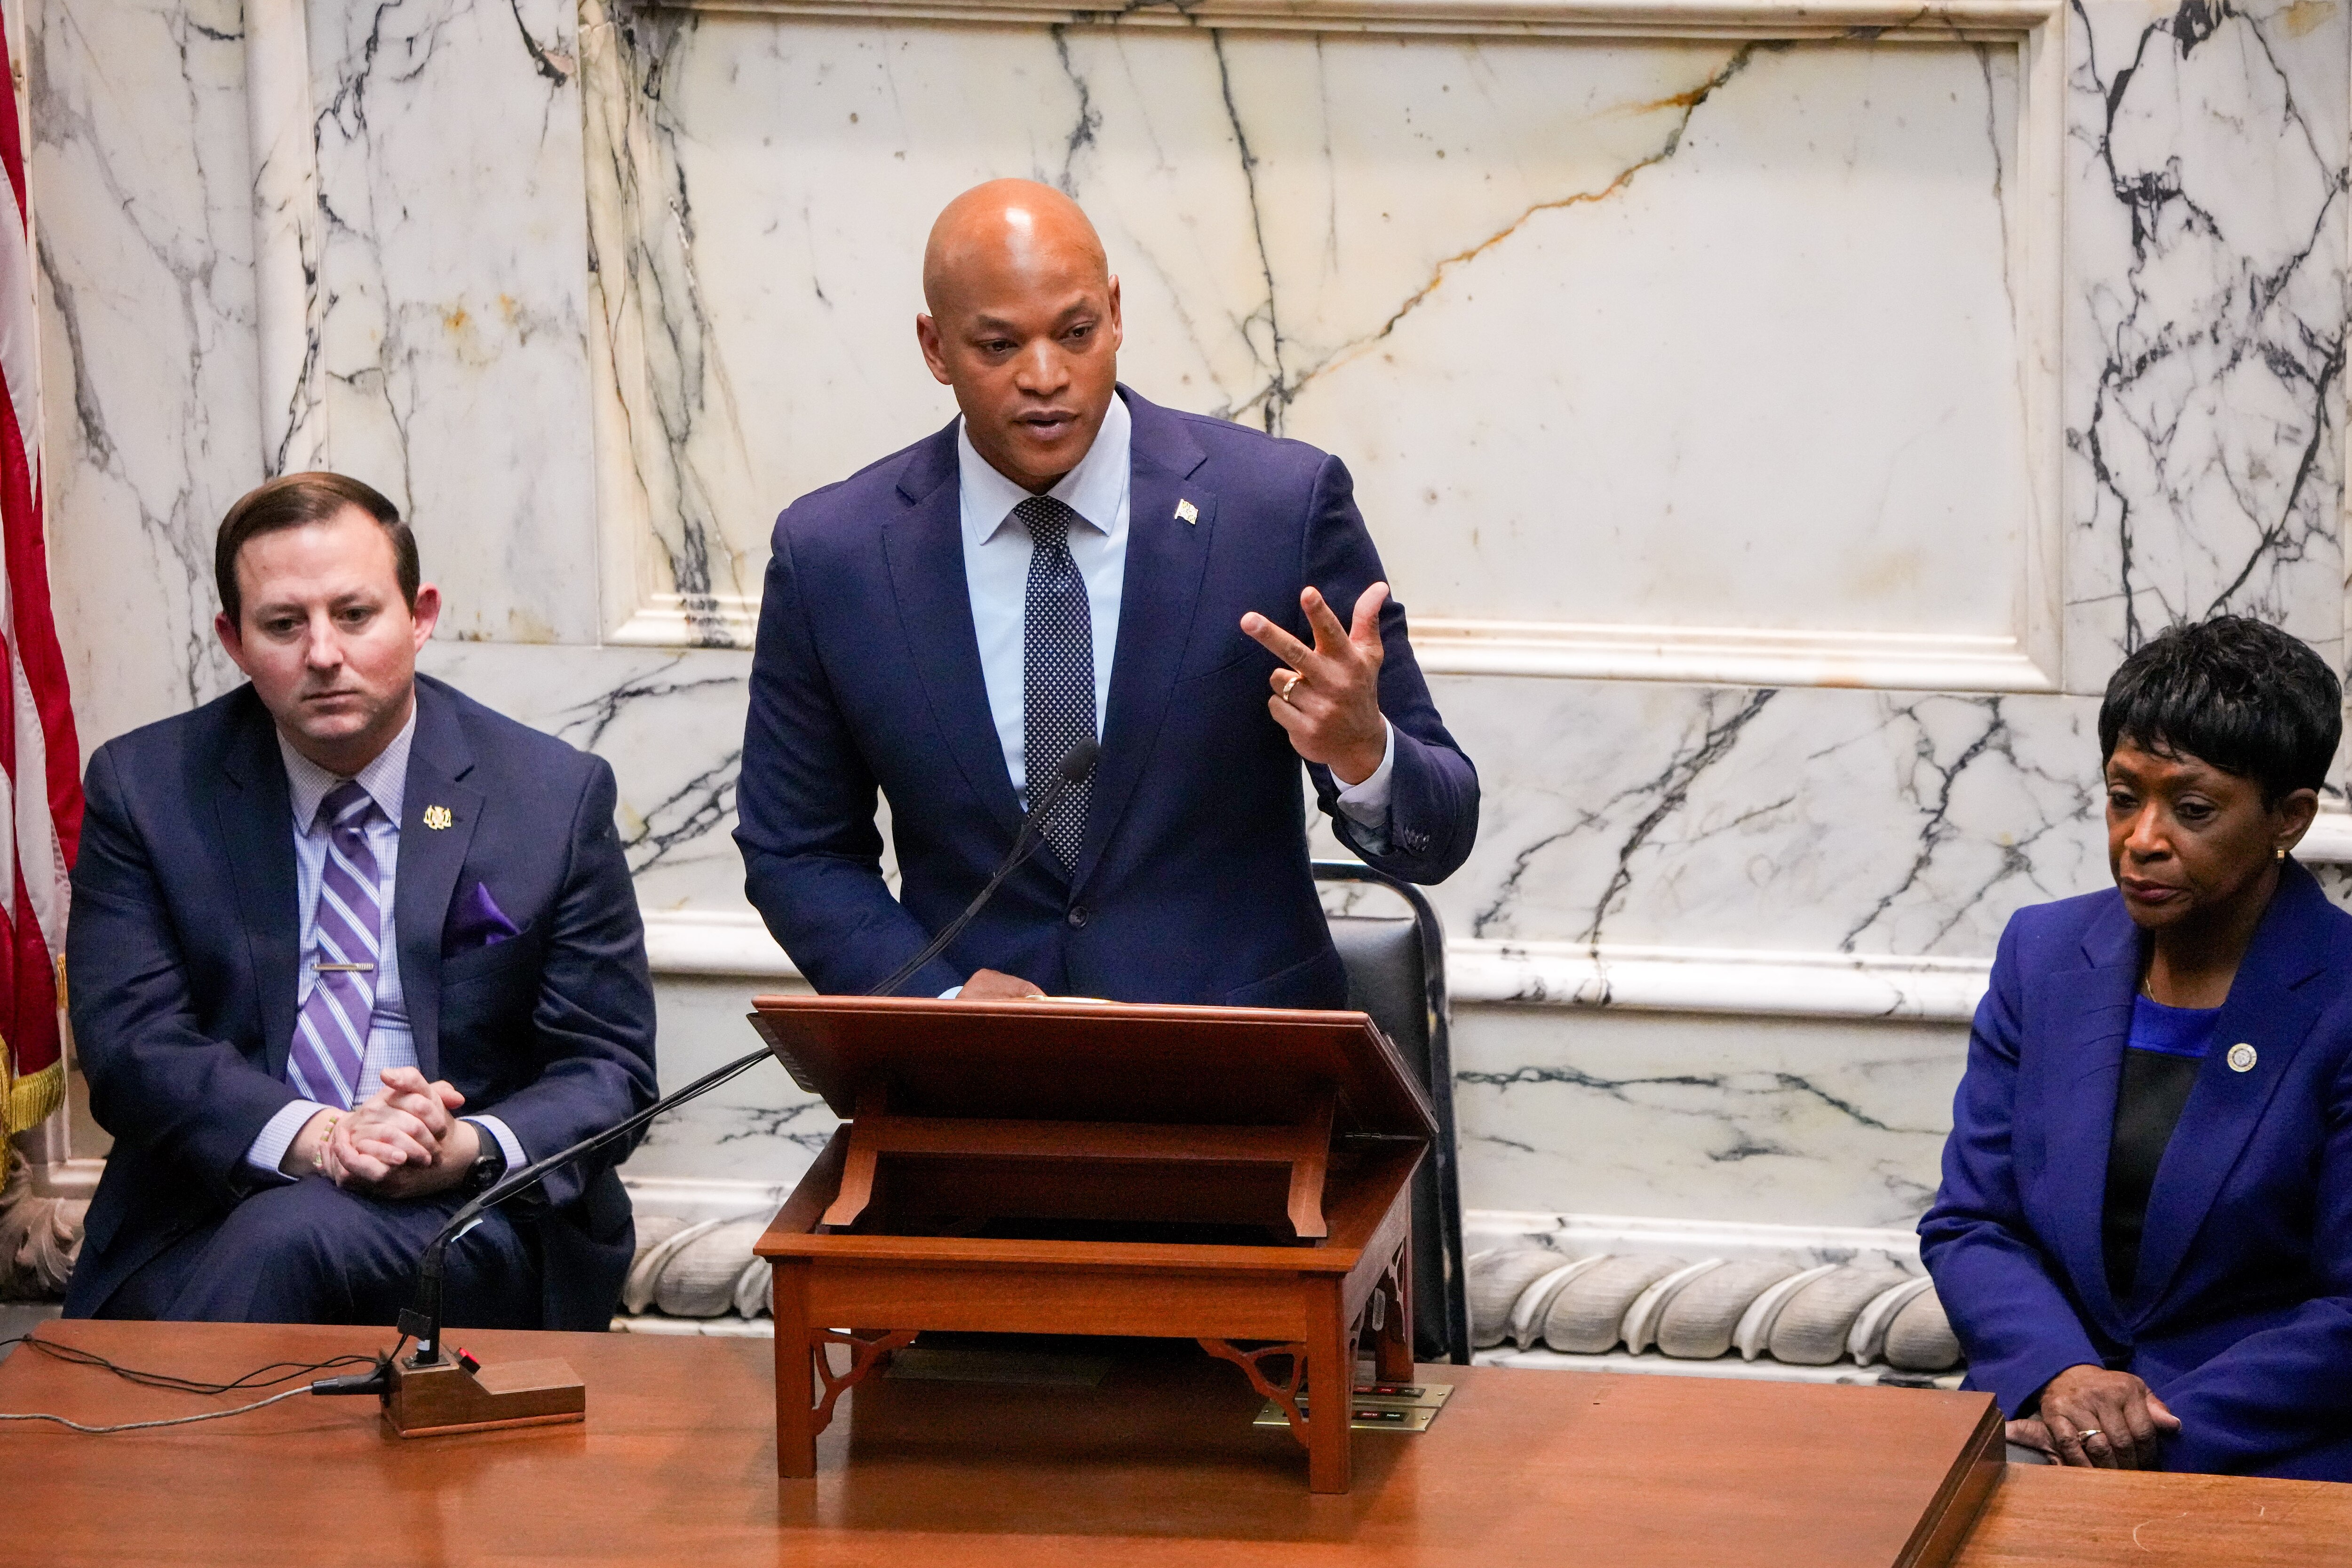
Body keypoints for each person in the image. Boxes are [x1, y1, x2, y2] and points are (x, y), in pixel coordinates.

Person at [736, 180, 1478, 1004]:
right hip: (973, 1097)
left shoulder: (1277, 511)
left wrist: (1363, 753)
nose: (1046, 376)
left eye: (1077, 332)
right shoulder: (836, 555)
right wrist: (935, 1004)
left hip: (1244, 1094)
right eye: (998, 347)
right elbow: (796, 849)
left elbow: (1440, 831)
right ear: (936, 347)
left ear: (1116, 314)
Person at [62, 472, 658, 1327]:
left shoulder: (549, 797)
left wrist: (465, 1145)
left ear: (420, 615)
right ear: (232, 639)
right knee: (279, 1232)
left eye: (355, 614)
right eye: (283, 624)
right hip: (214, 1195)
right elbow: (131, 1046)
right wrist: (317, 1137)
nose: (323, 653)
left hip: (469, 1215)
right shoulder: (149, 790)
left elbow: (609, 1069)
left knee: (285, 1242)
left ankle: (174, 1459)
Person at [1921, 616, 2352, 1480]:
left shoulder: (2341, 995)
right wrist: (2063, 1376)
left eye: (2192, 809)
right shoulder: (2043, 955)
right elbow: (1973, 1221)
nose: (2143, 837)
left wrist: (2146, 1425)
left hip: (2260, 1456)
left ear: (2290, 818)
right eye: (2124, 797)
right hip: (2042, 1436)